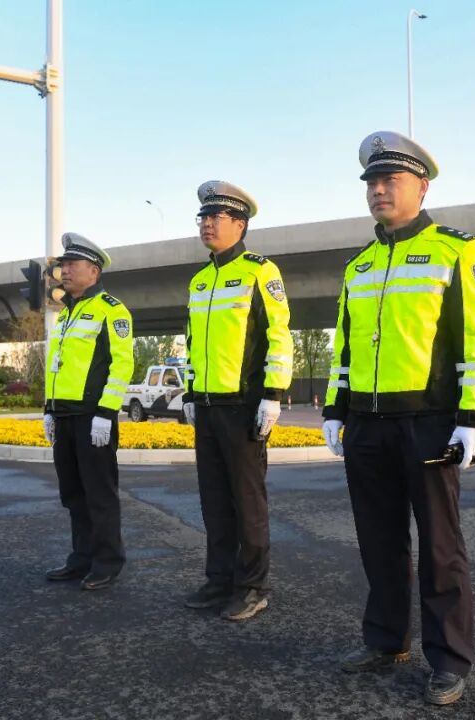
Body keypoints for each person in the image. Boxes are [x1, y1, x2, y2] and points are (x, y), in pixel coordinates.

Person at [321, 131, 475, 705]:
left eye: (390, 180)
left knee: (441, 545)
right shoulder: (360, 264)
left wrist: (473, 416)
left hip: (429, 422)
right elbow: (345, 346)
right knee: (378, 540)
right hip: (367, 422)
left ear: (421, 187)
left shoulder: (458, 250)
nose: (379, 190)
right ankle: (385, 639)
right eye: (372, 182)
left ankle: (448, 659)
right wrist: (335, 409)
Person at [181, 181, 293, 622]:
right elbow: (193, 344)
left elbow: (278, 336)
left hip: (244, 406)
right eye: (203, 217)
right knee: (213, 500)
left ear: (240, 224)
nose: (207, 224)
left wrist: (272, 395)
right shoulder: (199, 280)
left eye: (216, 217)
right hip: (208, 407)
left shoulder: (259, 272)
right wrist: (191, 393)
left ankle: (252, 586)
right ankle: (220, 579)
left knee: (248, 503)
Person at [42, 233, 134, 591]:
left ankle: (107, 562)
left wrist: (106, 412)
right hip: (64, 416)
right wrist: (49, 409)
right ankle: (81, 558)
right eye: (62, 265)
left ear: (93, 271)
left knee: (99, 494)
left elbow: (122, 365)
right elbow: (57, 367)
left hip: (93, 417)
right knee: (74, 494)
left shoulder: (111, 309)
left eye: (71, 264)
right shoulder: (66, 313)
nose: (63, 270)